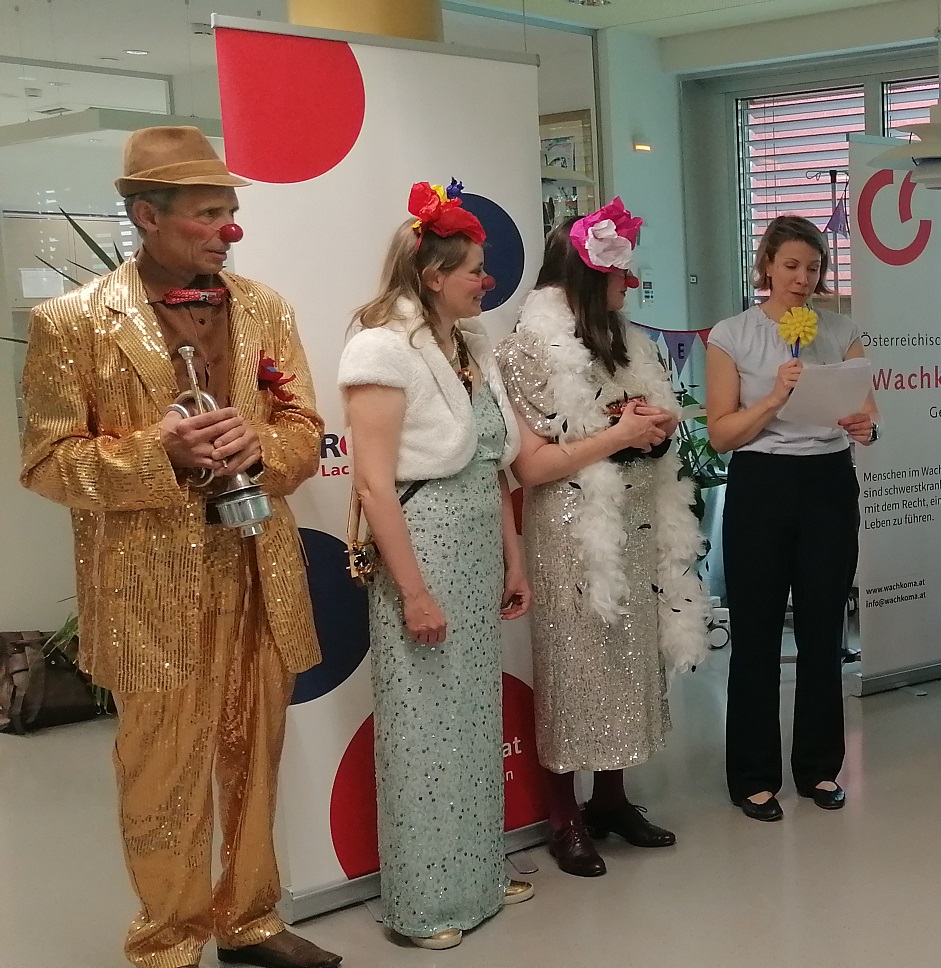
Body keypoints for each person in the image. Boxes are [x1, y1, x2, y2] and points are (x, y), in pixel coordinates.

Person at [16, 126, 340, 968]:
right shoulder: (72, 322)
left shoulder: (266, 308)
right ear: (146, 216)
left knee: (255, 757)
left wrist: (261, 445)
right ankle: (166, 942)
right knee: (161, 768)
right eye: (206, 213)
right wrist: (155, 455)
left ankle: (251, 922)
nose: (229, 229)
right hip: (147, 586)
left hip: (258, 567)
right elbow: (48, 463)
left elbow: (304, 427)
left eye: (229, 211)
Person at [339, 181, 532, 949]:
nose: (487, 280)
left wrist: (514, 559)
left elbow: (490, 465)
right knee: (423, 728)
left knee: (474, 721)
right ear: (433, 276)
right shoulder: (381, 348)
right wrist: (414, 593)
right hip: (422, 550)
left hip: (478, 546)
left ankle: (477, 873)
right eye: (475, 270)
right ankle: (426, 901)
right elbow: (374, 485)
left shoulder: (468, 344)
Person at [498, 201, 707, 872]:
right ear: (590, 275)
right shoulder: (527, 348)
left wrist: (651, 429)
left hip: (635, 521)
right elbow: (532, 466)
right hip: (569, 532)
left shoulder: (625, 340)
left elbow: (625, 423)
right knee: (574, 669)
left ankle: (612, 801)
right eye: (621, 273)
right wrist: (619, 434)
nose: (631, 284)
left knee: (627, 660)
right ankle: (564, 818)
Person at [706, 215, 876, 822]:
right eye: (791, 266)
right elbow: (721, 435)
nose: (803, 279)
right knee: (755, 632)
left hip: (828, 483)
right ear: (767, 267)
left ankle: (820, 767)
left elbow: (868, 412)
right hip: (761, 484)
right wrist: (776, 397)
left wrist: (865, 426)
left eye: (813, 267)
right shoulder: (731, 335)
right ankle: (753, 775)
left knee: (823, 631)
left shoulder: (843, 331)